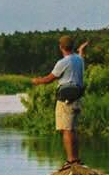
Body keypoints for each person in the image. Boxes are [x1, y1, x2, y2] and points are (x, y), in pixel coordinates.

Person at [32, 34, 88, 166]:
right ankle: (75, 159)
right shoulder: (79, 60)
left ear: (61, 47)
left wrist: (36, 81)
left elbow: (49, 79)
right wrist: (81, 50)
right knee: (72, 129)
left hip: (65, 100)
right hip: (77, 98)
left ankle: (71, 160)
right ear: (72, 46)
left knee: (66, 129)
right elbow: (81, 57)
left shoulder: (63, 62)